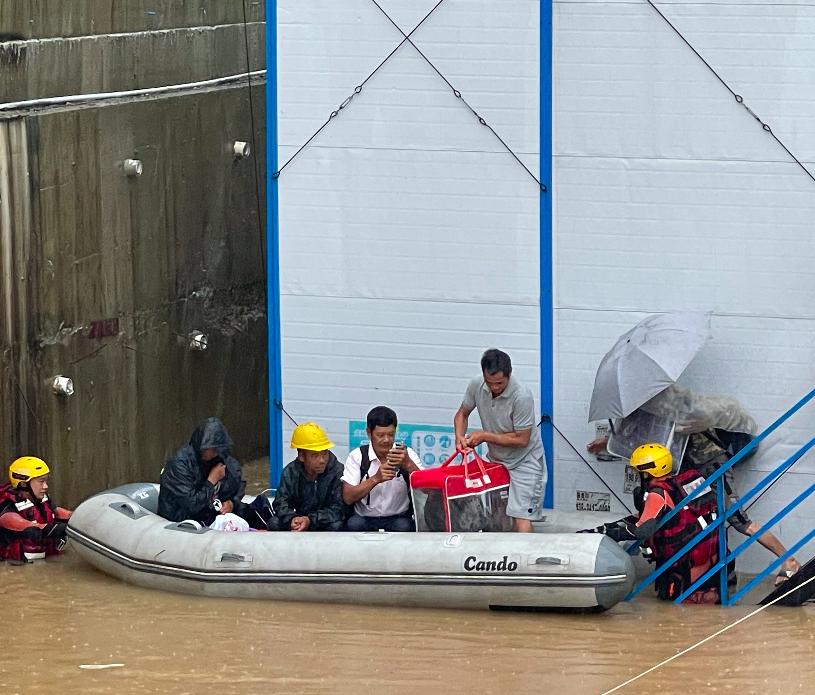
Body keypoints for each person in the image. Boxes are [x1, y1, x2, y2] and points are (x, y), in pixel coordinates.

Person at [588, 385, 801, 585]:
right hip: (689, 472)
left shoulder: (678, 407)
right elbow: (634, 434)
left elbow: (684, 425)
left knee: (739, 520)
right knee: (700, 522)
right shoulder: (650, 410)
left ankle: (788, 559)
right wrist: (607, 443)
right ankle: (720, 576)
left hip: (712, 467)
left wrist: (692, 425)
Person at [582, 443, 721, 604]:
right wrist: (605, 528)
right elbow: (643, 517)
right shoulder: (676, 485)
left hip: (682, 562)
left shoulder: (657, 494)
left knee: (679, 603)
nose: (637, 475)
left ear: (649, 472)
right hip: (703, 555)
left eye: (639, 471)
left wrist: (611, 534)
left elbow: (641, 530)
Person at [454, 348, 547, 532]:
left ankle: (522, 558)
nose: (495, 387)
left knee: (521, 515)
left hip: (525, 461)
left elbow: (522, 439)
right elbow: (461, 414)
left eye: (499, 383)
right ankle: (502, 558)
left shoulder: (522, 395)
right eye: (490, 383)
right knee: (497, 515)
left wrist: (485, 436)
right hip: (497, 459)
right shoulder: (477, 385)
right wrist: (459, 437)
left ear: (509, 374)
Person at [342, 406, 421, 531]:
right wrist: (375, 479)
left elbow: (427, 490)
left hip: (398, 518)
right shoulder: (357, 456)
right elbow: (348, 497)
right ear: (369, 433)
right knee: (354, 524)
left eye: (391, 434)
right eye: (380, 435)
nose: (386, 440)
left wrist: (408, 465)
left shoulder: (407, 454)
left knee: (404, 526)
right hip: (364, 518)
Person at [158, 417, 246, 526]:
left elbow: (239, 481)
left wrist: (232, 502)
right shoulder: (179, 464)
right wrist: (211, 481)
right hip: (180, 519)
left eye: (214, 449)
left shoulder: (220, 458)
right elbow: (191, 504)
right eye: (208, 448)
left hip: (208, 514)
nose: (211, 453)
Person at [272, 422, 347, 531]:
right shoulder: (290, 472)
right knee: (274, 523)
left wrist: (310, 520)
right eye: (315, 455)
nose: (322, 460)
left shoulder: (337, 471)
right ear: (302, 456)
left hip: (323, 522)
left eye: (324, 453)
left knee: (337, 525)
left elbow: (340, 509)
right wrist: (293, 519)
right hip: (300, 521)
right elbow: (280, 503)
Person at [0, 456, 72, 563]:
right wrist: (67, 529)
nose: (46, 486)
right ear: (24, 484)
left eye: (46, 481)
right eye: (41, 481)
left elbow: (58, 512)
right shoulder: (7, 512)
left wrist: (81, 518)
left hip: (45, 562)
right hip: (19, 570)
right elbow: (35, 528)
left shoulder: (40, 499)